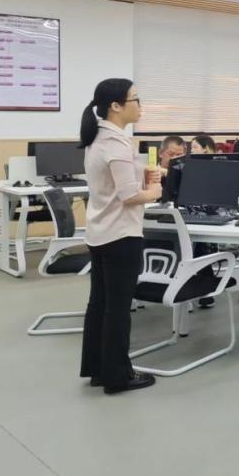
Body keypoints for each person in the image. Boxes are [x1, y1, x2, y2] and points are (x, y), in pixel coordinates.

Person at [79, 79, 163, 395]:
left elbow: (115, 184)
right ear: (116, 106)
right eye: (135, 99)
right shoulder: (115, 143)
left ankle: (99, 370)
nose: (140, 106)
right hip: (121, 235)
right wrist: (154, 192)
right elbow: (129, 196)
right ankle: (118, 377)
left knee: (100, 304)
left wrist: (145, 175)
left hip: (100, 232)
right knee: (117, 308)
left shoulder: (100, 138)